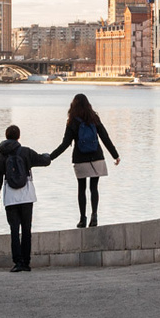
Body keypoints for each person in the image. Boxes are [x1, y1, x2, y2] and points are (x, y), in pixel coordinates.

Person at [50, 94, 119, 228]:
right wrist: (115, 155)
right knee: (94, 188)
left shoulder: (72, 121)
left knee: (81, 189)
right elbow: (105, 137)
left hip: (80, 159)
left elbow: (65, 144)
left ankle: (82, 219)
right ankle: (94, 215)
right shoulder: (94, 118)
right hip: (97, 157)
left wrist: (50, 157)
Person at [0, 124, 52, 272]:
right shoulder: (25, 152)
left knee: (14, 230)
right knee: (26, 230)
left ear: (6, 137)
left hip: (10, 197)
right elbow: (43, 161)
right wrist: (48, 156)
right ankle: (26, 262)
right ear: (18, 136)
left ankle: (17, 262)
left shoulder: (1, 156)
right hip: (27, 196)